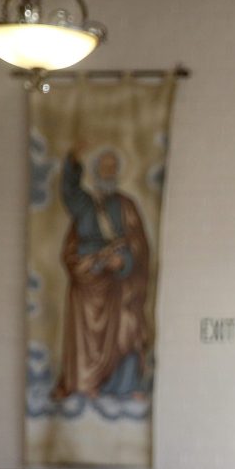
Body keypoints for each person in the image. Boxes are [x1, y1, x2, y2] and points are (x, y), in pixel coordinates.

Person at [55, 145, 153, 400]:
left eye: (113, 168)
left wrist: (123, 262)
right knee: (85, 335)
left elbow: (139, 245)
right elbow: (69, 194)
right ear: (96, 171)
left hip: (119, 285)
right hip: (89, 281)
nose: (108, 172)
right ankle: (84, 383)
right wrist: (73, 164)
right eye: (104, 167)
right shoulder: (85, 204)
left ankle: (124, 385)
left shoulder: (126, 206)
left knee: (128, 326)